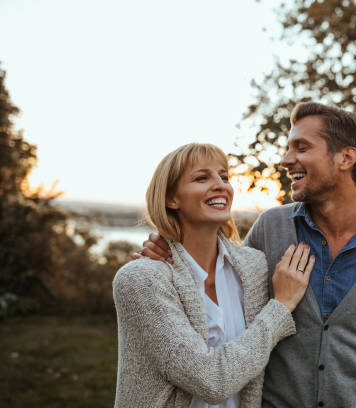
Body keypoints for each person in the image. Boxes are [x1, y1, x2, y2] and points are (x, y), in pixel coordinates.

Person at [139, 103, 356, 407]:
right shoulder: (271, 228)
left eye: (301, 148)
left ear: (346, 157)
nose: (287, 160)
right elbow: (220, 277)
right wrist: (169, 245)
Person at [113, 143, 315, 408]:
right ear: (171, 199)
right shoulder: (142, 280)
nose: (221, 185)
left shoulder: (254, 267)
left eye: (224, 177)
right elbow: (211, 381)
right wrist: (281, 306)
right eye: (201, 177)